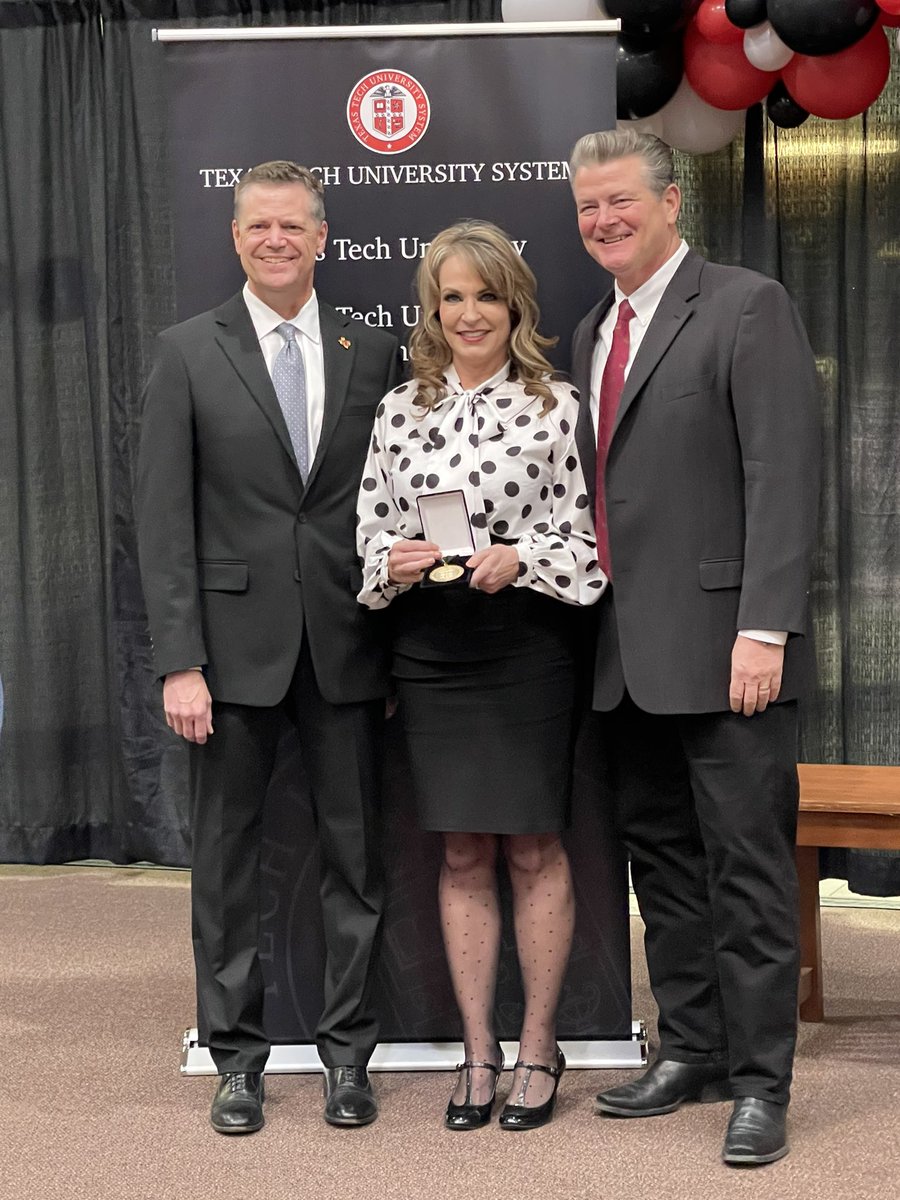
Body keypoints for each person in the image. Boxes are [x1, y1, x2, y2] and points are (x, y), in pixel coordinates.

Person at [568, 129, 821, 1166]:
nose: (602, 220)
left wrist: (764, 629)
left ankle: (762, 1084)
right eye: (586, 207)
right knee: (663, 870)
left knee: (748, 875)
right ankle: (695, 1048)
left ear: (672, 202)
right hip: (624, 661)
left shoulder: (746, 305)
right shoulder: (590, 328)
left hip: (730, 658)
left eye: (620, 200)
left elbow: (783, 476)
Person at [135, 161, 401, 1134]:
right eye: (260, 226)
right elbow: (163, 524)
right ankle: (236, 1060)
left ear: (323, 238)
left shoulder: (369, 350)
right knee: (227, 865)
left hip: (347, 649)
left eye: (294, 225)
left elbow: (391, 501)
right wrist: (179, 660)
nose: (277, 239)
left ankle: (347, 1059)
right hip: (229, 657)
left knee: (356, 863)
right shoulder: (186, 353)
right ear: (236, 237)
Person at [356, 220, 606, 1131]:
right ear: (432, 308)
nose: (469, 314)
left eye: (486, 296)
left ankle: (539, 1049)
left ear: (515, 306)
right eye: (452, 297)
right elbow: (369, 535)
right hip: (431, 653)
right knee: (461, 850)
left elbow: (586, 539)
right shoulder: (400, 411)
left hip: (526, 648)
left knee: (534, 848)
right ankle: (478, 1053)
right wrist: (400, 560)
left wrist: (521, 557)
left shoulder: (556, 406)